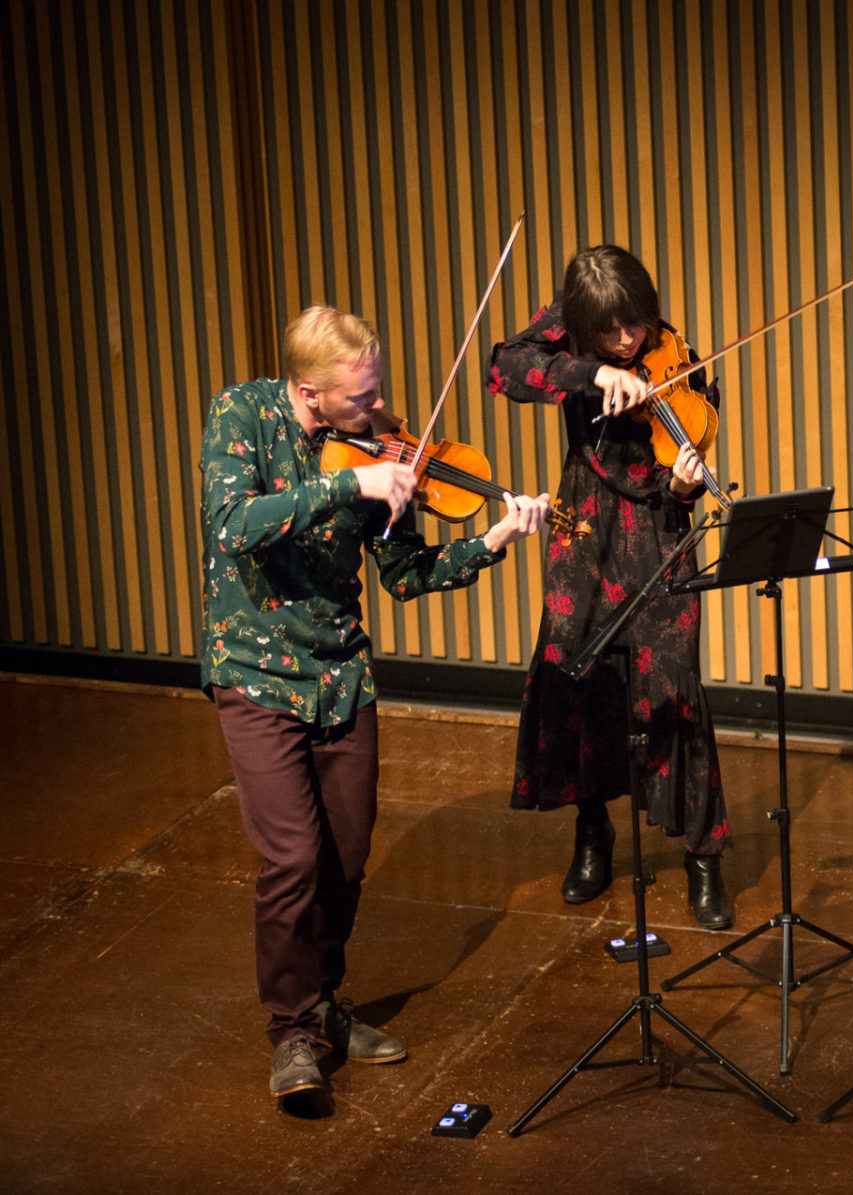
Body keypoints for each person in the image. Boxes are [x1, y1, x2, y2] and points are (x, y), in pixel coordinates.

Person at [199, 305, 551, 1104]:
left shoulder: (381, 449)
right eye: (360, 400)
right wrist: (345, 483)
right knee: (290, 857)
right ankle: (290, 1031)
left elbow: (406, 573)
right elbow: (229, 526)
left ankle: (324, 997)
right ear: (308, 393)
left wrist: (494, 539)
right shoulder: (240, 415)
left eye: (380, 389)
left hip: (340, 671)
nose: (381, 411)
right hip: (255, 670)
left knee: (346, 857)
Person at [488, 244, 733, 932]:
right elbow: (507, 366)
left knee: (676, 689)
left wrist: (682, 482)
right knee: (580, 678)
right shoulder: (570, 333)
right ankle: (593, 835)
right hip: (585, 527)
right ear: (585, 323)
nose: (629, 341)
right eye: (612, 332)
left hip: (659, 524)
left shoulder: (672, 349)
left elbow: (701, 417)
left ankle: (702, 855)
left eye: (636, 325)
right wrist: (592, 372)